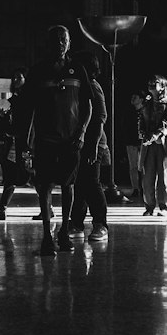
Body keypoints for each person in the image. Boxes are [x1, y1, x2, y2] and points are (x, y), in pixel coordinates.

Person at [16, 24, 92, 255]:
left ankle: (64, 232)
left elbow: (88, 105)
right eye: (56, 40)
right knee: (45, 186)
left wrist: (81, 134)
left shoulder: (77, 69)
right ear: (48, 44)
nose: (60, 43)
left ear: (69, 43)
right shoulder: (38, 71)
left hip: (71, 141)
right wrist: (24, 145)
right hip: (46, 140)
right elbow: (27, 109)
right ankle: (47, 236)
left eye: (64, 39)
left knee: (68, 186)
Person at [68, 53, 110, 243]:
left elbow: (100, 117)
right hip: (82, 142)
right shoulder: (82, 86)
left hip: (94, 142)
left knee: (92, 183)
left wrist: (93, 146)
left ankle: (100, 224)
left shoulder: (93, 86)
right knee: (79, 183)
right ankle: (76, 223)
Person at [0, 70, 28, 219]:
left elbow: (22, 122)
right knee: (11, 175)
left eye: (19, 77)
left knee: (28, 175)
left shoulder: (25, 98)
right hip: (15, 141)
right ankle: (2, 208)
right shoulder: (17, 98)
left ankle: (47, 207)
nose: (16, 79)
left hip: (22, 141)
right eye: (14, 77)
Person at [140, 74, 167, 216]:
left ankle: (164, 207)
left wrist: (157, 135)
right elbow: (141, 119)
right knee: (148, 177)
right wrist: (143, 134)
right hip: (150, 144)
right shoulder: (147, 102)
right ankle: (149, 206)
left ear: (163, 86)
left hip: (165, 144)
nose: (151, 84)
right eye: (150, 82)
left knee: (164, 177)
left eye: (155, 82)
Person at [123, 90, 145, 201]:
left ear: (141, 99)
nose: (133, 98)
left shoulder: (145, 111)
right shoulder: (129, 112)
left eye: (135, 96)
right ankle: (136, 188)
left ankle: (145, 188)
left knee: (144, 166)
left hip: (142, 141)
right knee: (133, 166)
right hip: (131, 141)